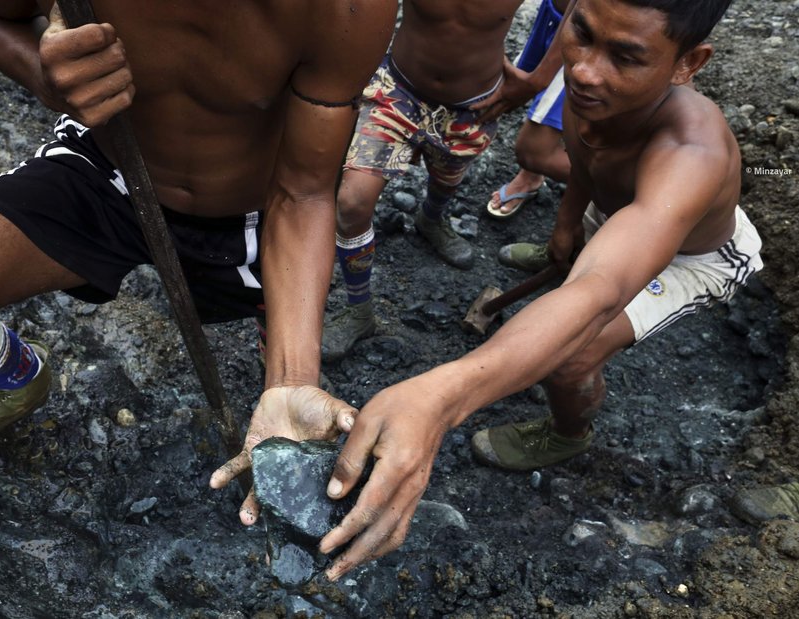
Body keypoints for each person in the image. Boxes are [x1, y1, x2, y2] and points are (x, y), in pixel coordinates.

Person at [0, 0, 397, 540]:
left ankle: (276, 363)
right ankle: (13, 377)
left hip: (255, 212)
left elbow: (304, 188)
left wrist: (292, 379)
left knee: (286, 323)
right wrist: (45, 75)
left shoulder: (348, 9)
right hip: (104, 169)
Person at [315, 0, 763, 580]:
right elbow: (586, 159)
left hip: (691, 255)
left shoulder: (691, 154)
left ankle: (568, 433)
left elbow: (601, 287)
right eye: (581, 33)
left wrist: (441, 396)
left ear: (688, 63)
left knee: (572, 353)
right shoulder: (595, 91)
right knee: (571, 277)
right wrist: (567, 222)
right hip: (620, 214)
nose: (583, 70)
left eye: (626, 56)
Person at [320, 0, 569, 363]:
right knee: (353, 202)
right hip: (397, 92)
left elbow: (580, 7)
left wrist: (538, 80)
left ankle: (431, 219)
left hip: (475, 105)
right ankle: (359, 311)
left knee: (447, 176)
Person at [486, 0, 571, 220]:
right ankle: (532, 174)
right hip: (555, 10)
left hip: (585, 25)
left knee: (531, 153)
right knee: (513, 77)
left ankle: (624, 184)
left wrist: (538, 80)